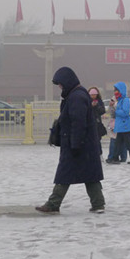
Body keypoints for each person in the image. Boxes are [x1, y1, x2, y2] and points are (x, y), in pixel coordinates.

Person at [36, 67, 105, 214]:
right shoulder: (77, 94)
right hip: (84, 144)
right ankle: (98, 204)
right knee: (90, 174)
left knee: (65, 173)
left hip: (78, 143)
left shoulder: (76, 97)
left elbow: (78, 122)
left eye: (60, 84)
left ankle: (53, 203)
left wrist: (75, 144)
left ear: (67, 82)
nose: (60, 87)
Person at [106, 82, 130, 164]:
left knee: (128, 143)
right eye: (114, 90)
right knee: (118, 142)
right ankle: (115, 158)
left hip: (125, 125)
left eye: (117, 90)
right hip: (121, 125)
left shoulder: (126, 100)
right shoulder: (119, 100)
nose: (115, 92)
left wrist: (116, 108)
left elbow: (126, 113)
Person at [106, 96, 127, 163]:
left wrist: (114, 105)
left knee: (115, 141)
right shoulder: (123, 99)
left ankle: (112, 157)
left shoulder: (124, 100)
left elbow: (120, 113)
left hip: (118, 123)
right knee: (121, 141)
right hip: (117, 123)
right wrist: (111, 106)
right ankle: (122, 157)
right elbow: (111, 113)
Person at [88, 87, 106, 156]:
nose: (93, 96)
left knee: (97, 140)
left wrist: (97, 106)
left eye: (94, 95)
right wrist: (91, 106)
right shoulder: (86, 100)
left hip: (97, 123)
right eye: (91, 95)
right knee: (89, 140)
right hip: (89, 123)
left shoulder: (99, 101)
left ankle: (99, 155)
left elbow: (102, 111)